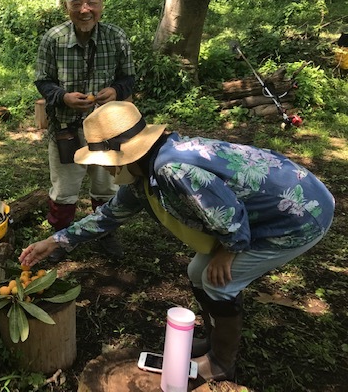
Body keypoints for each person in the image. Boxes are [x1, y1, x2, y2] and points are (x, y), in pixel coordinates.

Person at [20, 101, 334, 382]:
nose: (101, 166)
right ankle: (214, 341)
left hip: (298, 216)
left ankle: (222, 363)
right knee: (198, 271)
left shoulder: (172, 168)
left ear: (121, 154)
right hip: (268, 212)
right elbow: (108, 217)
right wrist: (55, 241)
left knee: (220, 281)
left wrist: (229, 252)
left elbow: (229, 213)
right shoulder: (144, 171)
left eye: (102, 159)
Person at [34, 0, 137, 262]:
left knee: (106, 186)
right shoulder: (53, 39)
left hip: (108, 129)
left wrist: (116, 90)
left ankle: (105, 232)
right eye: (76, 2)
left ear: (101, 4)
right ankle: (59, 239)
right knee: (64, 189)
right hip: (67, 129)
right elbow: (43, 81)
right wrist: (63, 97)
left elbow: (129, 78)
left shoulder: (115, 38)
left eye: (91, 1)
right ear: (66, 6)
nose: (84, 9)